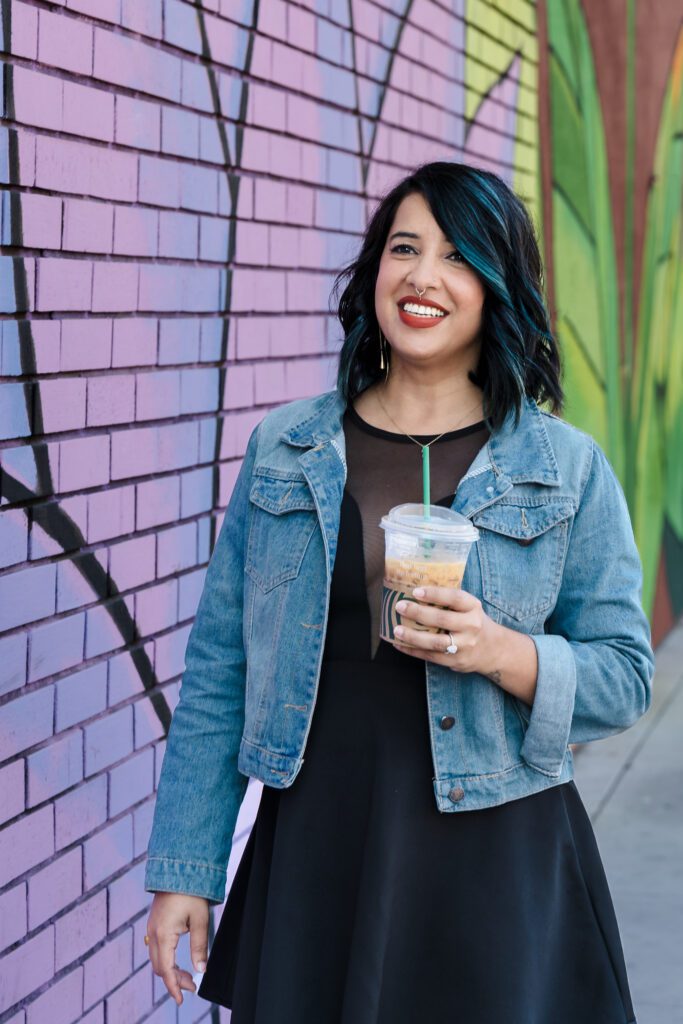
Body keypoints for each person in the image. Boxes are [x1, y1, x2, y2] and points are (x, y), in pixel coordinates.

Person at [143, 161, 654, 1022]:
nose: (422, 277)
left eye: (457, 257)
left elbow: (625, 675)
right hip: (323, 839)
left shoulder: (563, 467)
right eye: (403, 248)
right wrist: (184, 870)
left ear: (496, 287)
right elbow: (220, 670)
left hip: (500, 848)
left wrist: (502, 650)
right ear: (374, 270)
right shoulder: (287, 449)